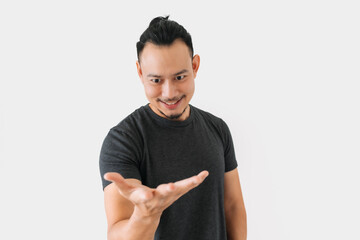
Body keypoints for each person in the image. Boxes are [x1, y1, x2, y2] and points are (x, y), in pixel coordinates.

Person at [99, 16, 247, 240]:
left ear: (195, 66)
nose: (169, 93)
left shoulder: (218, 129)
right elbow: (118, 234)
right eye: (156, 80)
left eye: (179, 77)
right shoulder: (122, 141)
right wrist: (146, 214)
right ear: (140, 73)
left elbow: (233, 206)